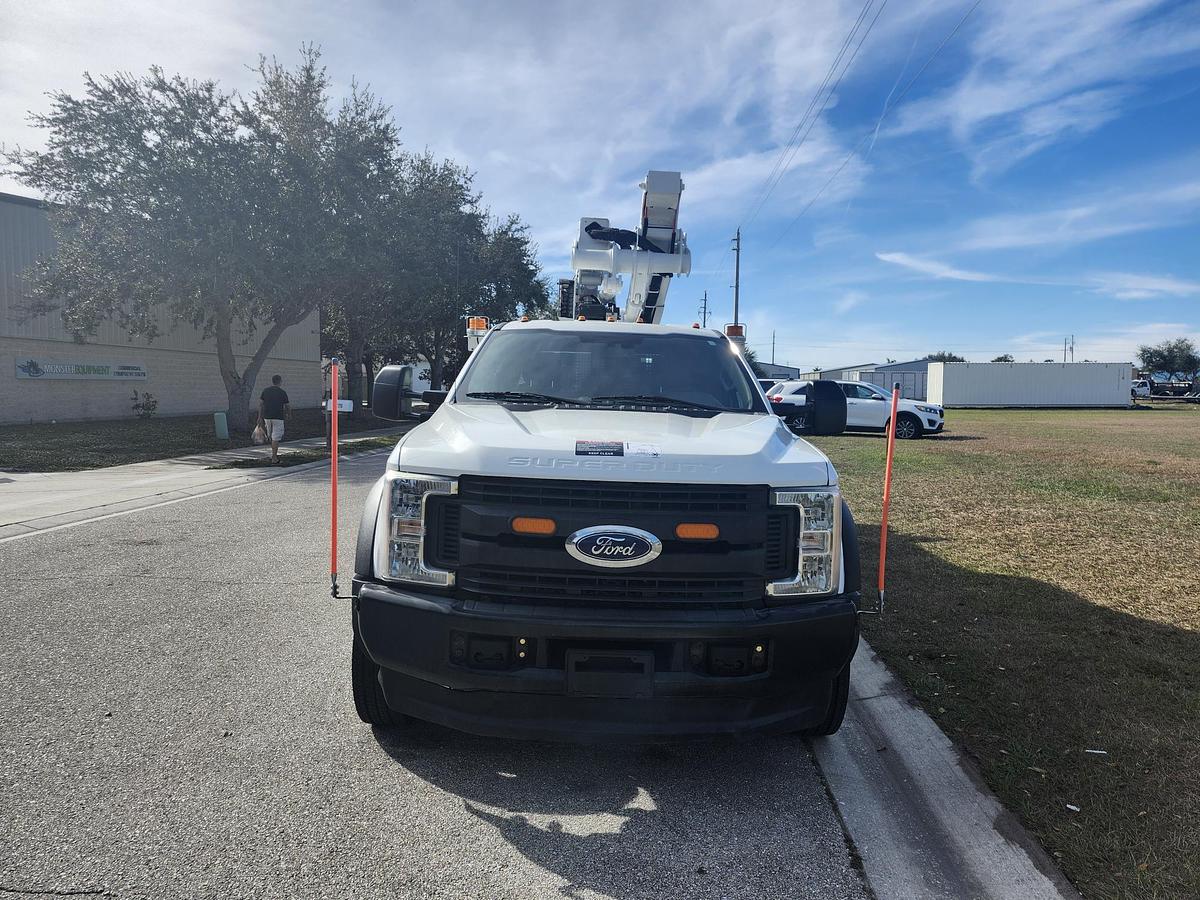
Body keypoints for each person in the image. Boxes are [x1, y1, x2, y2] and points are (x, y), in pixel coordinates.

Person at [258, 374, 291, 465]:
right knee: (276, 437)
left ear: (272, 381)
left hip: (267, 417)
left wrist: (259, 417)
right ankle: (274, 458)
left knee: (271, 436)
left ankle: (273, 454)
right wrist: (289, 415)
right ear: (280, 381)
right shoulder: (282, 392)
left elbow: (260, 404)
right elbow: (287, 406)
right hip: (278, 417)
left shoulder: (265, 391)